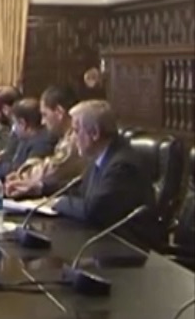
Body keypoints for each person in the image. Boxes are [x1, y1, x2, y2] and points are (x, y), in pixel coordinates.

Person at [53, 100, 157, 245]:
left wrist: (58, 202)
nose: (73, 138)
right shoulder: (101, 157)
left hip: (127, 247)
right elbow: (79, 190)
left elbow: (93, 211)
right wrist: (42, 189)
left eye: (76, 131)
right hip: (102, 240)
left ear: (95, 133)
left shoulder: (122, 165)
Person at [5, 85, 87, 199]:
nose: (43, 122)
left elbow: (52, 171)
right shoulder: (65, 136)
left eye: (45, 114)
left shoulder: (76, 139)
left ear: (59, 112)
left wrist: (23, 176)